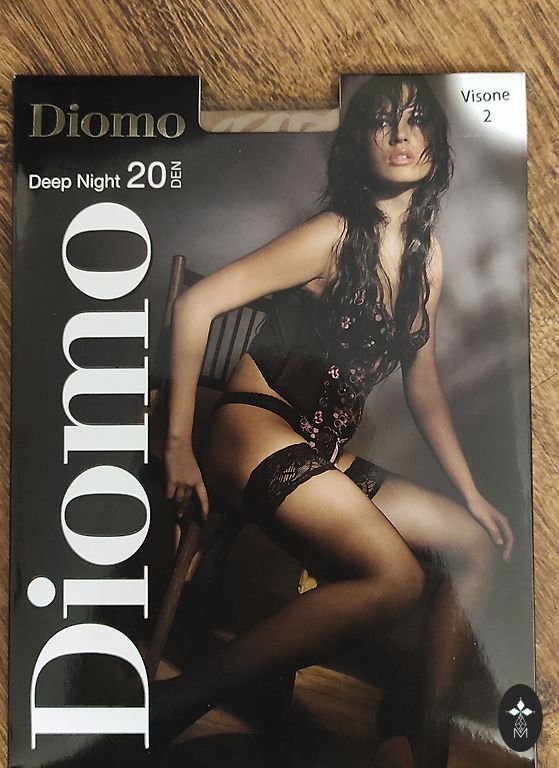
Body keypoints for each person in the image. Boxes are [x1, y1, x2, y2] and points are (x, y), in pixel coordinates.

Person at [161, 75, 514, 768]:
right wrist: (179, 445)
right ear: (359, 143)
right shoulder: (332, 234)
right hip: (255, 425)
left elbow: (423, 384)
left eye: (415, 119)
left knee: (472, 545)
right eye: (381, 121)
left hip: (316, 449)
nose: (400, 134)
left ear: (437, 144)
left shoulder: (428, 258)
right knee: (397, 580)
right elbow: (195, 305)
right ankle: (177, 702)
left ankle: (417, 734)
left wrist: (471, 492)